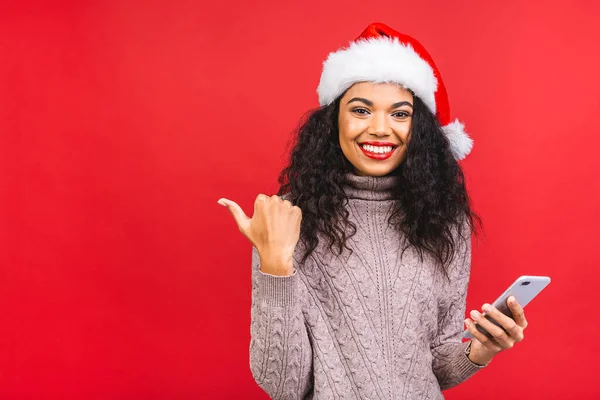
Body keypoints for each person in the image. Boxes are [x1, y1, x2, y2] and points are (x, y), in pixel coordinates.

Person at [218, 22, 529, 400]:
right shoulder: (287, 220)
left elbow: (435, 365)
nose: (380, 129)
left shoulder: (445, 221)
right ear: (334, 121)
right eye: (361, 110)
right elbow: (283, 385)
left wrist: (479, 350)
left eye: (400, 114)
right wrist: (275, 265)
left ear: (420, 129)